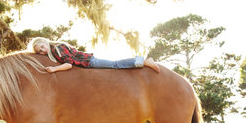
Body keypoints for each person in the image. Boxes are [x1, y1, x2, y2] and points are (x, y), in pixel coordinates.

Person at [29, 37, 160, 73]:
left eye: (42, 47)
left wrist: (54, 69)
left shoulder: (57, 49)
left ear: (44, 42)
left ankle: (143, 61)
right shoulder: (54, 50)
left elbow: (68, 65)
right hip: (87, 62)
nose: (42, 51)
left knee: (114, 65)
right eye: (39, 51)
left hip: (89, 62)